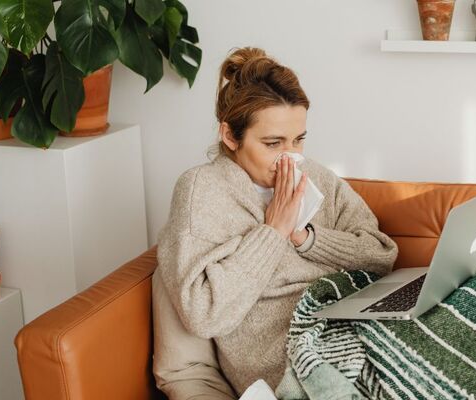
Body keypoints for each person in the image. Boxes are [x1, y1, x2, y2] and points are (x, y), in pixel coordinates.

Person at [152, 47, 399, 396]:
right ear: (230, 136)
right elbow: (204, 313)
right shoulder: (202, 190)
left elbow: (382, 255)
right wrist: (273, 231)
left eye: (298, 140)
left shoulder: (317, 178)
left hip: (353, 328)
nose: (290, 158)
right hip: (287, 362)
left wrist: (307, 238)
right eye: (273, 143)